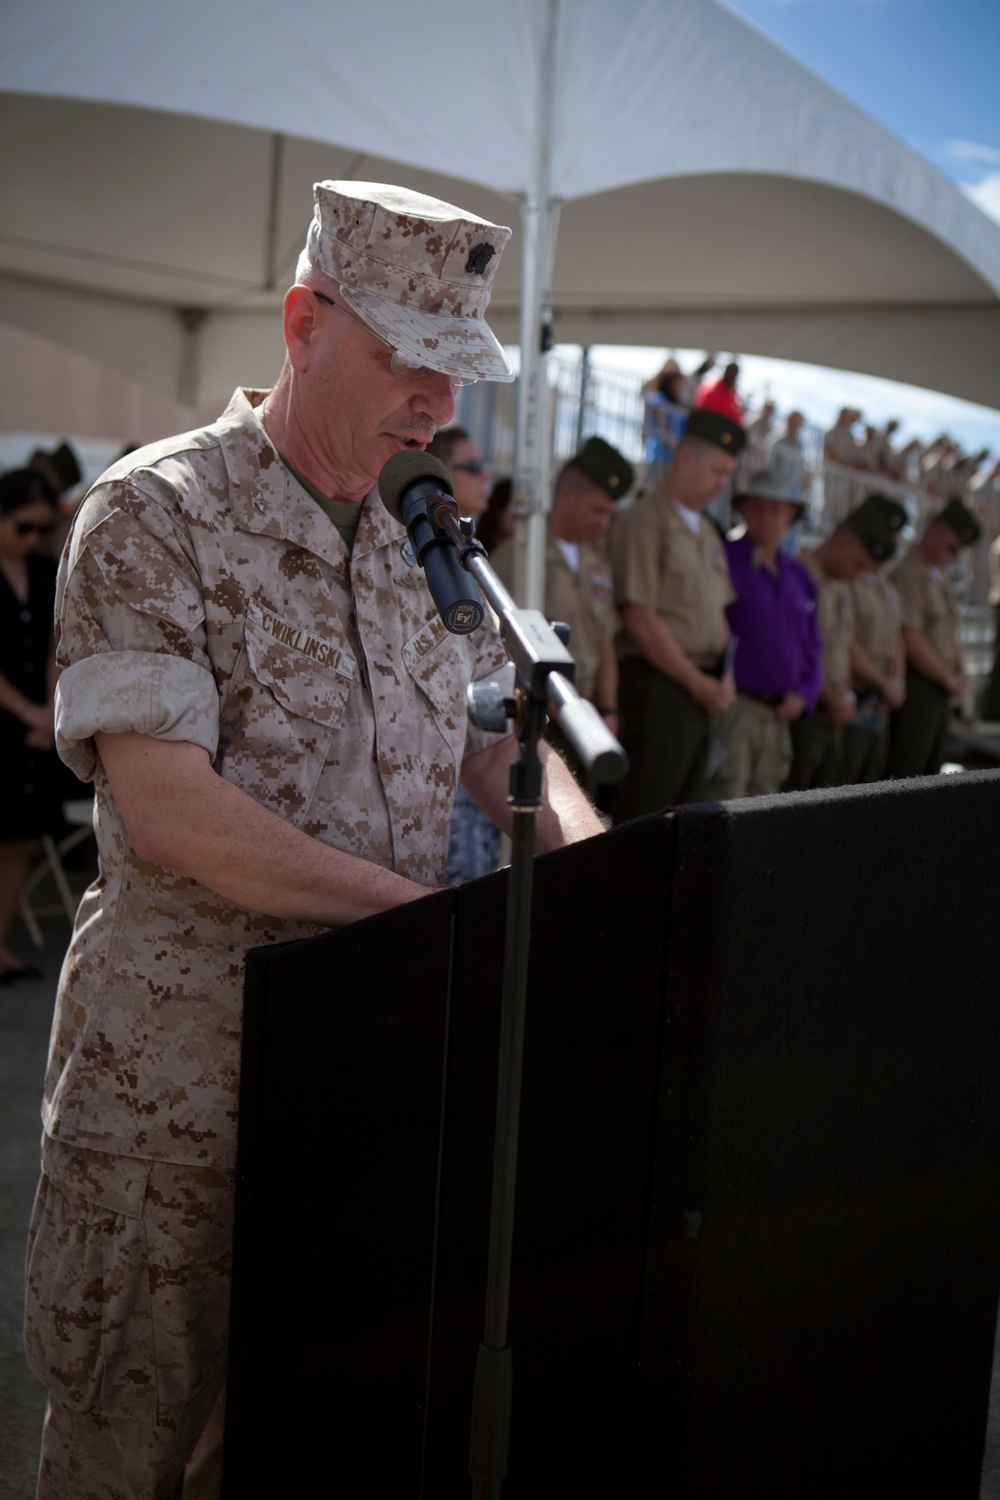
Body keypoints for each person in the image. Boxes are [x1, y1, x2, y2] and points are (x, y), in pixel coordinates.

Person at [25, 179, 604, 1500]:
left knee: (292, 1444)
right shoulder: (155, 514)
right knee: (127, 1456)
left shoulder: (426, 541)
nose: (440, 404)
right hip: (176, 1103)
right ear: (302, 323)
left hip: (360, 1093)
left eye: (460, 370)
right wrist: (427, 920)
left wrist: (593, 859)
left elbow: (491, 737)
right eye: (410, 358)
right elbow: (169, 812)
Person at [609, 409, 746, 819]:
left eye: (729, 475)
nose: (723, 484)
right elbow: (640, 617)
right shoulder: (644, 521)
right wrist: (697, 682)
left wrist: (724, 678)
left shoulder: (706, 530)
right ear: (685, 458)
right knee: (647, 816)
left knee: (686, 816)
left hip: (699, 691)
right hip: (658, 689)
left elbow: (719, 613)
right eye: (717, 471)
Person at [491, 436, 633, 784]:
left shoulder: (597, 565)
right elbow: (507, 647)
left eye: (610, 514)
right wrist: (570, 715)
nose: (605, 523)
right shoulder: (523, 556)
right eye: (598, 510)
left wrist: (609, 710)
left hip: (586, 717)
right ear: (568, 496)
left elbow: (605, 645)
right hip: (539, 715)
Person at [708, 464, 822, 800]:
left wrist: (805, 693)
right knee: (723, 802)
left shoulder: (798, 574)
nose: (767, 516)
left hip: (779, 718)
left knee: (764, 810)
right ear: (743, 509)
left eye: (776, 508)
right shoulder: (722, 559)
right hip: (735, 711)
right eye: (758, 506)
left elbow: (813, 645)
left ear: (789, 516)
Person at [785, 495, 905, 790]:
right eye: (858, 564)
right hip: (810, 710)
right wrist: (833, 699)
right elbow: (796, 654)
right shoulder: (800, 576)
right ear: (843, 544)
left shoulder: (838, 585)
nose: (858, 574)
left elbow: (842, 643)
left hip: (837, 709)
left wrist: (846, 695)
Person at [426, 425, 501, 883]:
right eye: (472, 467)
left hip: (480, 757)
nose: (484, 475)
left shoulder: (469, 554)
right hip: (443, 779)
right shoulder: (424, 560)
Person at [0, 468, 63, 982]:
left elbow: (54, 645)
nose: (33, 538)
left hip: (33, 724)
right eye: (23, 527)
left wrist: (48, 710)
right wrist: (28, 712)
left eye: (42, 530)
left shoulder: (45, 573)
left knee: (19, 840)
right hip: (8, 722)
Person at [886, 499, 982, 778]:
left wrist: (960, 670)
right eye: (952, 547)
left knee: (930, 772)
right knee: (908, 775)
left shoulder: (937, 575)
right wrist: (946, 677)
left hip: (940, 687)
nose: (953, 556)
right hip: (920, 686)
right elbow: (909, 635)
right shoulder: (909, 572)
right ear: (936, 533)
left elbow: (949, 633)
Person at [840, 496, 910, 784]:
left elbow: (896, 637)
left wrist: (897, 682)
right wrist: (885, 685)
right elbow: (844, 640)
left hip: (882, 702)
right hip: (854, 696)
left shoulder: (885, 583)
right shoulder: (848, 576)